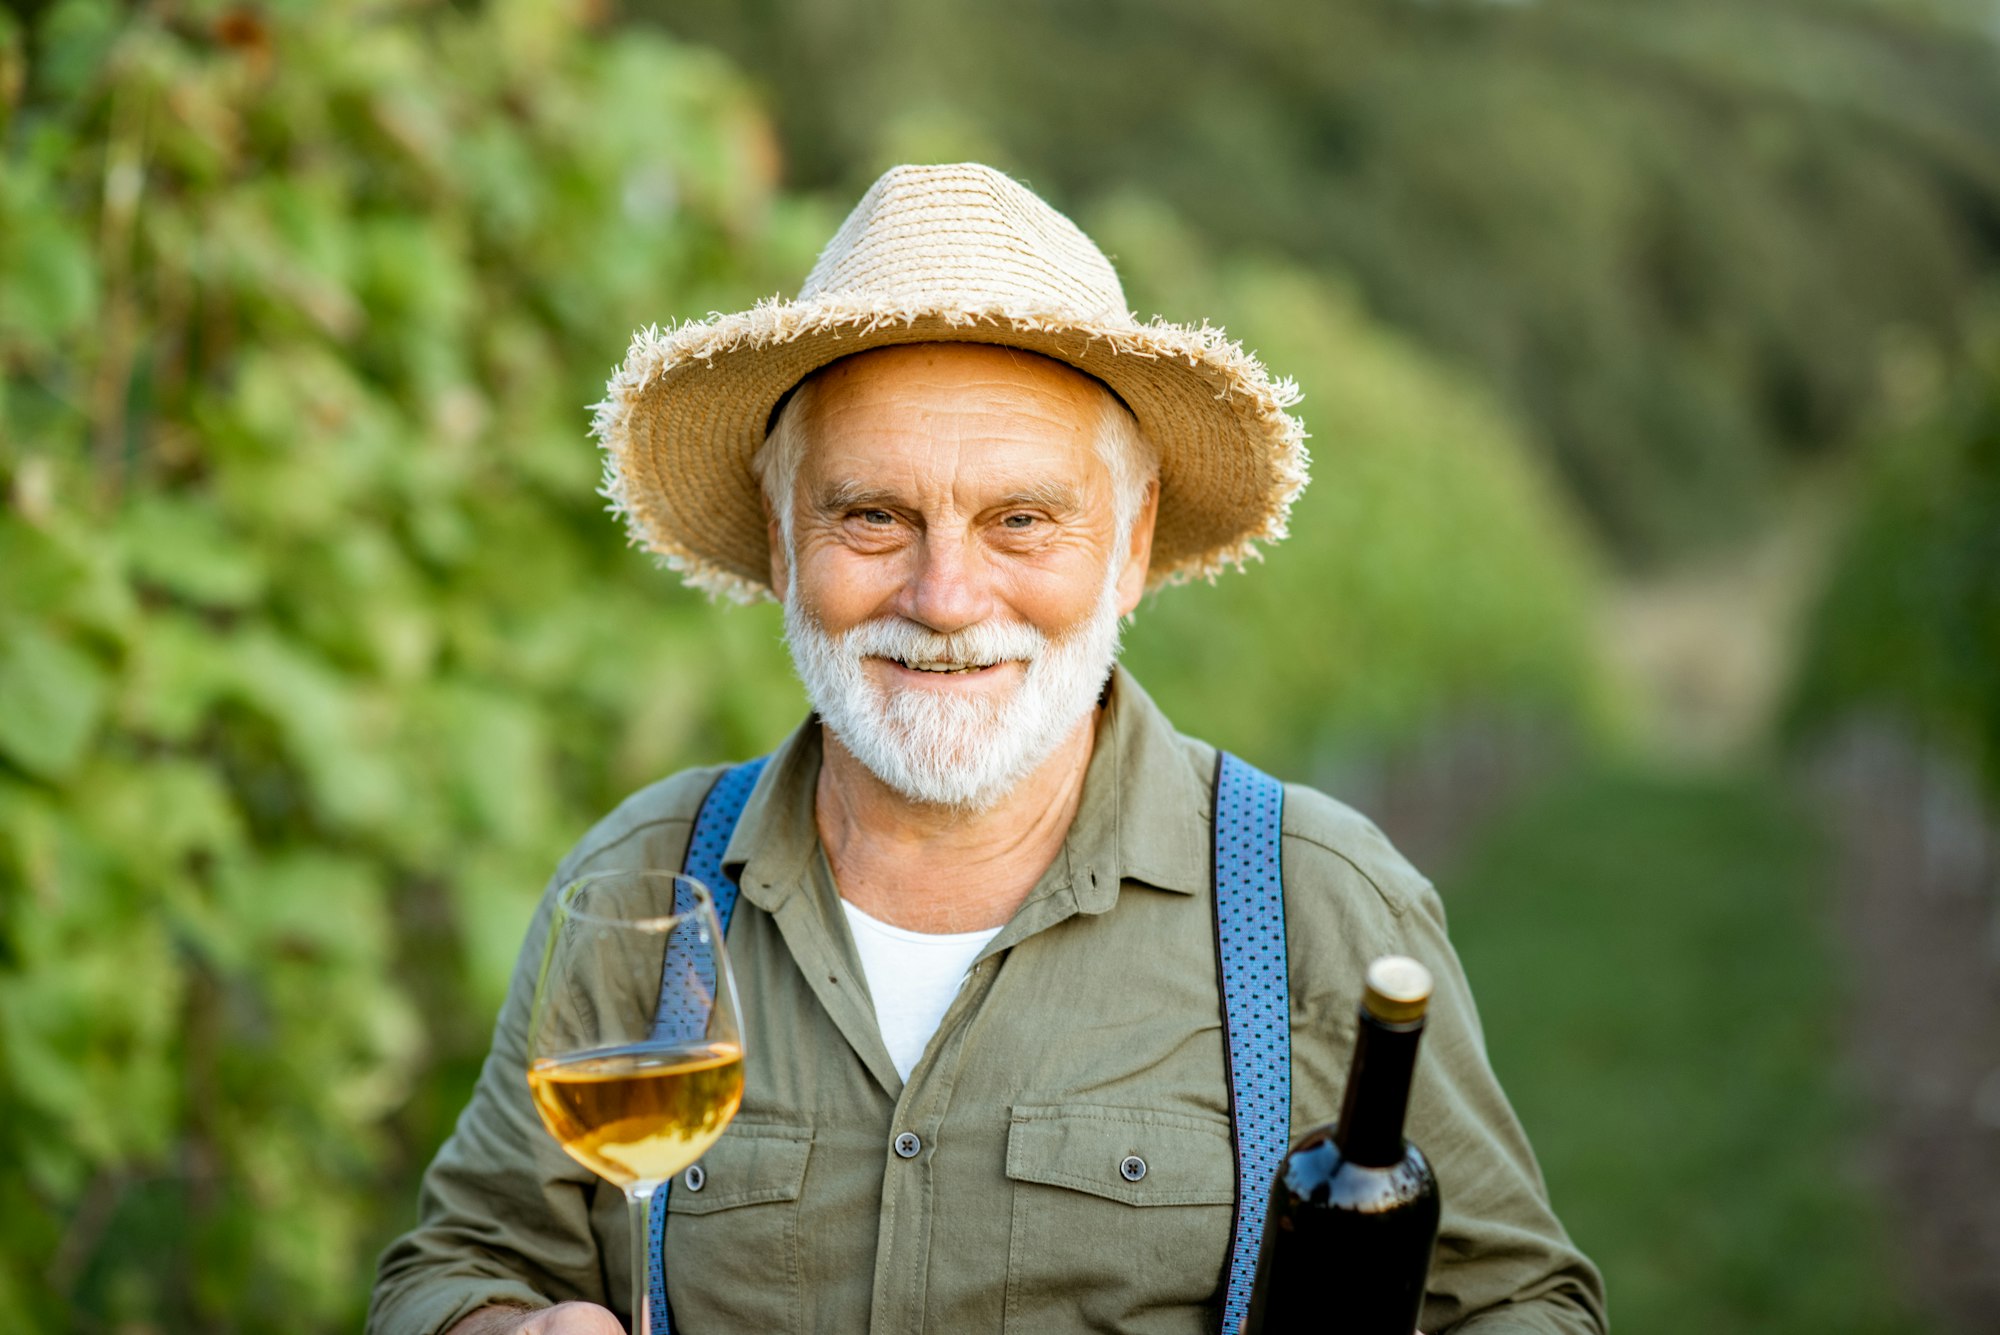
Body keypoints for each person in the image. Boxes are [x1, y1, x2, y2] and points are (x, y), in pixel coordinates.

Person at [368, 163, 1607, 1335]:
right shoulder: (648, 888)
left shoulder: (1320, 906)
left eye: (1020, 521)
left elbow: (1515, 1302)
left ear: (1128, 548)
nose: (946, 595)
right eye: (871, 516)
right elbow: (462, 1261)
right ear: (782, 538)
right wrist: (510, 1321)